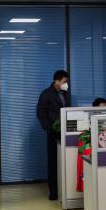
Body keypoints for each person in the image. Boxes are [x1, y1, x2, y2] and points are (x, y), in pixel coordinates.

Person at [36, 70, 71, 201]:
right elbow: (40, 112)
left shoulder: (66, 94)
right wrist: (48, 127)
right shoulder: (46, 94)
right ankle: (53, 192)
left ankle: (65, 191)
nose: (66, 84)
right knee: (53, 163)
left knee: (65, 162)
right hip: (53, 133)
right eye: (64, 81)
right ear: (57, 81)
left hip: (65, 132)